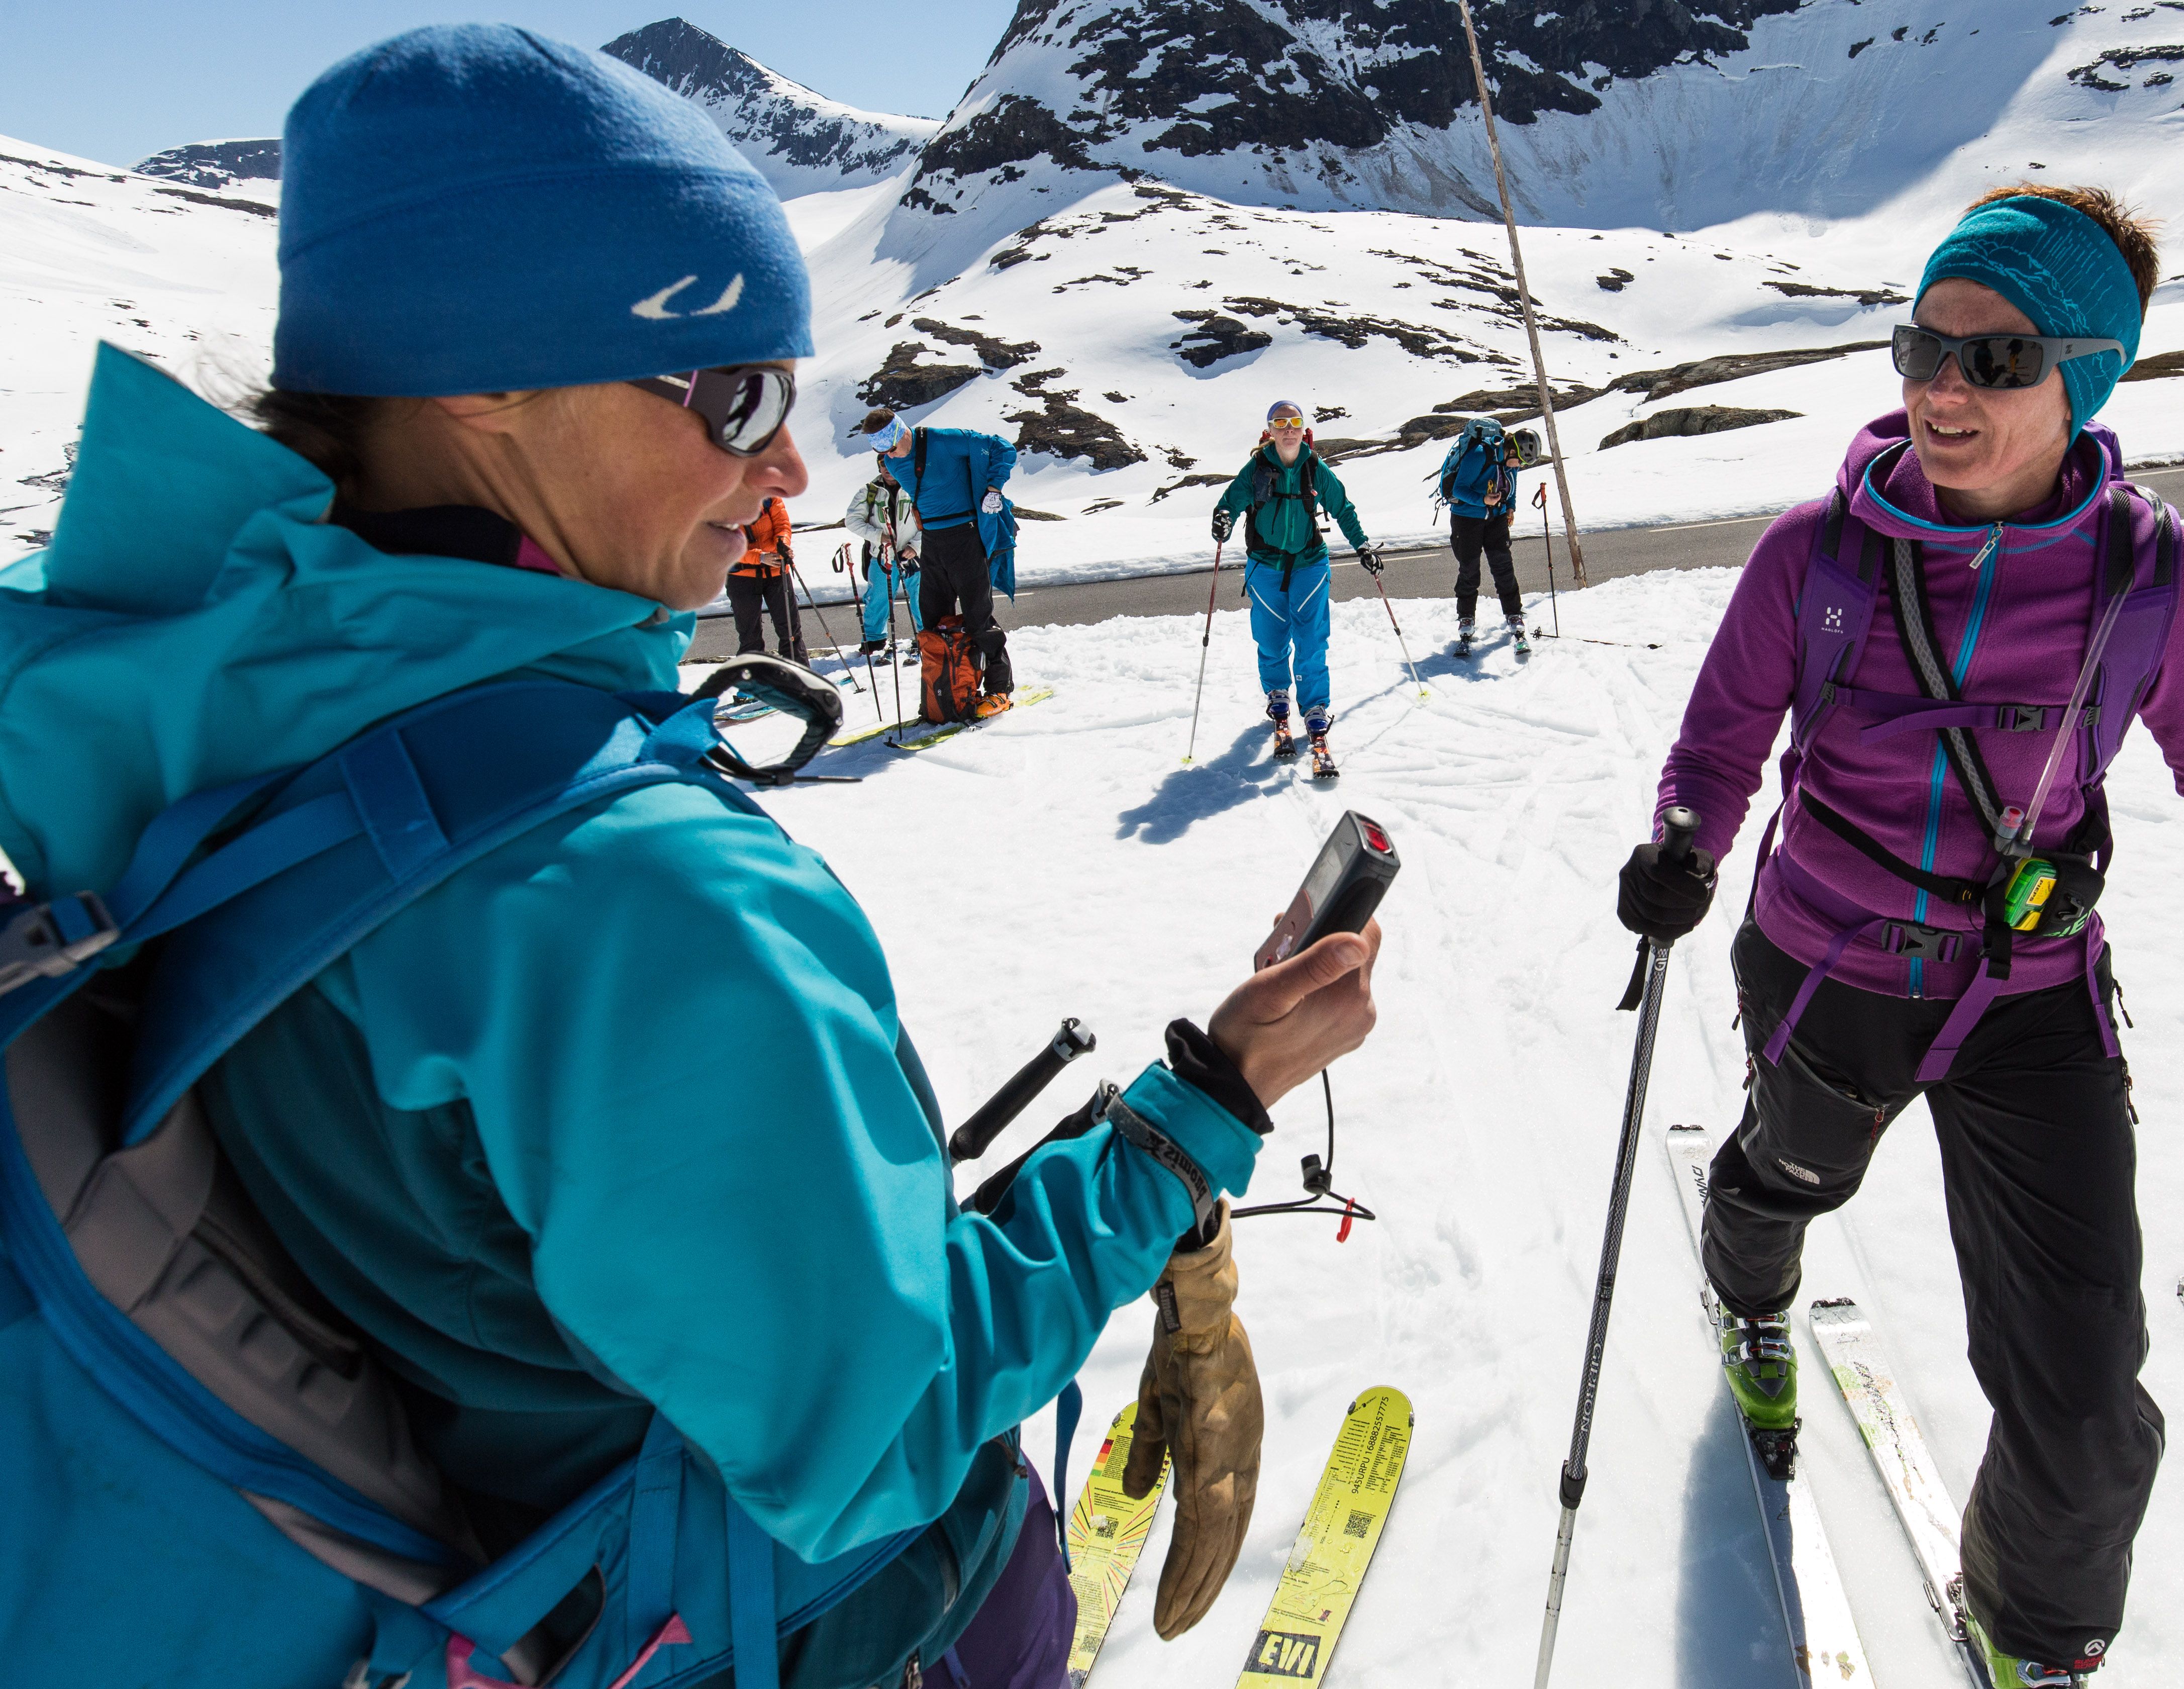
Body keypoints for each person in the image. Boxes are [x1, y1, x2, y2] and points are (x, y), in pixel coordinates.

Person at [0, 26, 1382, 1687]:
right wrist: (1194, 1122)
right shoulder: (634, 899)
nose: (790, 466)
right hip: (800, 1619)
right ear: (482, 384)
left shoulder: (213, 716)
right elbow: (873, 1438)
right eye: (736, 395)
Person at [1615, 184, 2184, 1689]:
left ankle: (2032, 1635)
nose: (1942, 391)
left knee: (2088, 1388)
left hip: (2033, 1001)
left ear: (2084, 376)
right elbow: (1719, 743)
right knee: (1793, 1170)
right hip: (1830, 957)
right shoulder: (1812, 560)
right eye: (1924, 348)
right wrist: (1685, 848)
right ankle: (1752, 1281)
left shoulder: (2156, 582)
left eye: (1996, 359)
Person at [1209, 400, 1380, 779]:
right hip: (1265, 565)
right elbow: (1230, 504)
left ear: (1304, 429)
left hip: (1310, 563)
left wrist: (1363, 546)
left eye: (1295, 422)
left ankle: (1315, 709)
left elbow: (1343, 508)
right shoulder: (1256, 468)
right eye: (1281, 423)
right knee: (1271, 639)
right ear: (1270, 430)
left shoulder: (1314, 468)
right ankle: (1278, 698)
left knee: (1312, 639)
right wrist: (1221, 521)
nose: (1289, 429)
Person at [858, 408, 1019, 712]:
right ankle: (943, 692)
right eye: (882, 453)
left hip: (967, 536)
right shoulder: (892, 458)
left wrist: (994, 487)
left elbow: (1002, 447)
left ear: (902, 431)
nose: (890, 456)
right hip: (931, 541)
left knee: (977, 617)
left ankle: (1000, 688)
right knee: (932, 622)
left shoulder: (943, 440)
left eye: (892, 447)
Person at [1440, 419, 1527, 656]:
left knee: (1503, 566)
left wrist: (1510, 507)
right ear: (1511, 449)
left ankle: (1514, 614)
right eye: (1519, 460)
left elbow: (1513, 485)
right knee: (1469, 569)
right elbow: (1459, 489)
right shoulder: (1479, 454)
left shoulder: (1511, 464)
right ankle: (1466, 618)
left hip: (1496, 518)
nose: (1519, 466)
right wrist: (1483, 501)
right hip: (1467, 518)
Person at [845, 461, 922, 663]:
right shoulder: (869, 492)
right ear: (879, 468)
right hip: (882, 556)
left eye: (892, 465)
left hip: (914, 557)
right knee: (878, 598)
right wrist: (879, 536)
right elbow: (852, 521)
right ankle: (874, 641)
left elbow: (930, 519)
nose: (888, 470)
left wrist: (916, 547)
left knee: (921, 598)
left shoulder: (916, 488)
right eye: (884, 466)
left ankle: (926, 635)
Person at [728, 491, 806, 661]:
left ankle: (798, 680)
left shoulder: (769, 495)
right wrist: (760, 557)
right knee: (750, 637)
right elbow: (725, 543)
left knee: (791, 632)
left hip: (777, 570)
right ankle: (754, 683)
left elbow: (783, 525)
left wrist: (782, 544)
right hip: (742, 576)